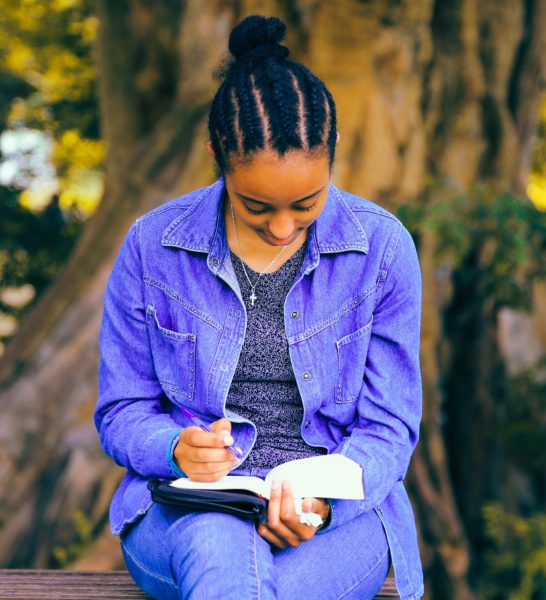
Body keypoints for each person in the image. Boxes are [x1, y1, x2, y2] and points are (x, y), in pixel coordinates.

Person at [95, 14, 424, 600]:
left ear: (333, 151)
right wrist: (173, 447)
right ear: (217, 153)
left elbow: (389, 425)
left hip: (337, 519)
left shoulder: (382, 247)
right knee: (219, 545)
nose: (281, 228)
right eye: (256, 207)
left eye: (305, 204)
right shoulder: (152, 246)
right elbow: (122, 410)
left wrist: (321, 499)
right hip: (184, 513)